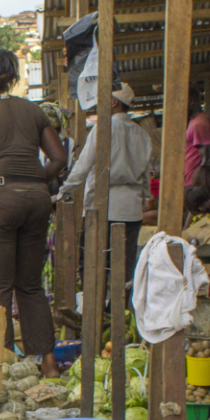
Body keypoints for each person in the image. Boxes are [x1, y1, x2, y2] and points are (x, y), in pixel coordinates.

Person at [0, 47, 68, 375]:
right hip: (36, 200)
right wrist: (34, 181)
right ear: (11, 78)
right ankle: (48, 363)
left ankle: (1, 365)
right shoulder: (33, 111)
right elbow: (59, 159)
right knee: (30, 285)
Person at [58, 82, 153, 286]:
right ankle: (119, 312)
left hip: (102, 209)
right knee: (125, 267)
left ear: (112, 102)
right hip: (130, 210)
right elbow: (146, 176)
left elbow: (83, 166)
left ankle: (96, 314)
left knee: (93, 264)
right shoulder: (142, 134)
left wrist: (63, 191)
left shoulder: (103, 129)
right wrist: (146, 196)